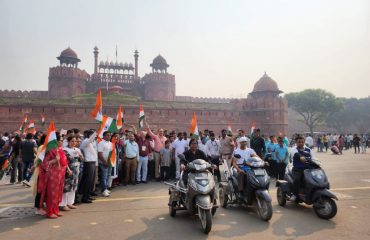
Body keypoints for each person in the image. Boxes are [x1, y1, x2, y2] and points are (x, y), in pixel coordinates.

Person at [38, 133, 67, 218]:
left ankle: (56, 210)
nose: (62, 141)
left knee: (58, 193)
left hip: (60, 174)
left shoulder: (59, 149)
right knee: (51, 194)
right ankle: (50, 212)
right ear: (56, 141)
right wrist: (54, 160)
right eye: (60, 140)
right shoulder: (49, 150)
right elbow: (43, 164)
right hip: (52, 175)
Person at [60, 135, 83, 211]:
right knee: (66, 187)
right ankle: (63, 204)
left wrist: (81, 156)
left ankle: (70, 203)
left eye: (75, 141)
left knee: (73, 187)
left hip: (76, 170)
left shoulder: (77, 149)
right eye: (72, 141)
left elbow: (82, 159)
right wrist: (68, 169)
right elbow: (64, 161)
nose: (74, 143)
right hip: (68, 170)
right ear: (68, 142)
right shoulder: (64, 150)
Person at [290, 135, 314, 201]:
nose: (300, 143)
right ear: (296, 142)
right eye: (299, 142)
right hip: (298, 169)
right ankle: (294, 194)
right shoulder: (294, 149)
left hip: (308, 169)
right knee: (297, 179)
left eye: (302, 142)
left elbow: (314, 158)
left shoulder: (308, 149)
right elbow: (295, 154)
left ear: (304, 142)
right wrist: (300, 157)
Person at [79, 130, 97, 203]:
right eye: (93, 135)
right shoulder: (86, 141)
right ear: (90, 135)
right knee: (88, 181)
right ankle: (85, 197)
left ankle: (88, 195)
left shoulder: (91, 142)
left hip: (92, 162)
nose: (95, 136)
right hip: (88, 163)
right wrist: (97, 131)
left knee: (91, 181)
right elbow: (90, 139)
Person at [98, 131, 113, 196]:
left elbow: (112, 154)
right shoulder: (101, 143)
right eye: (107, 135)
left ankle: (106, 188)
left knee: (108, 176)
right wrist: (105, 162)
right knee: (104, 177)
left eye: (110, 135)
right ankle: (103, 190)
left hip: (109, 162)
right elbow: (100, 154)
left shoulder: (111, 143)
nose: (109, 136)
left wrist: (110, 162)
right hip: (103, 162)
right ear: (103, 136)